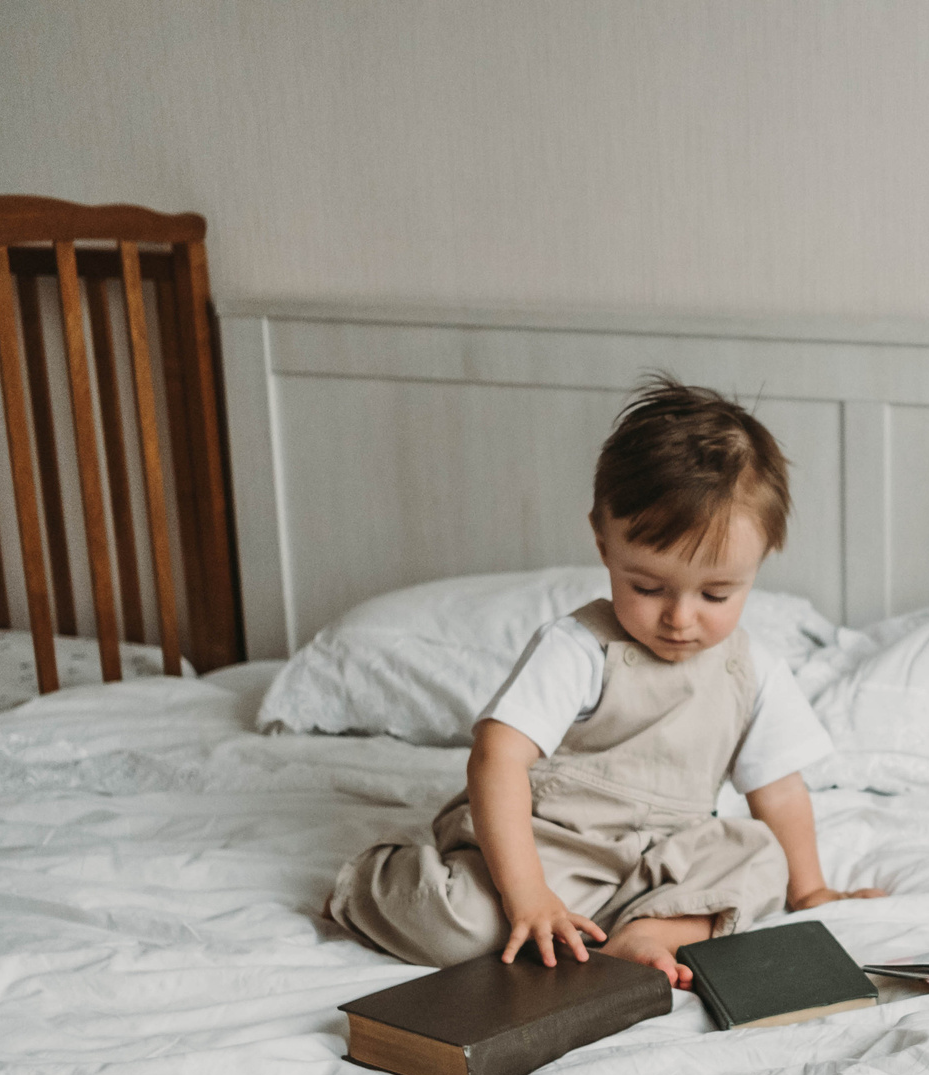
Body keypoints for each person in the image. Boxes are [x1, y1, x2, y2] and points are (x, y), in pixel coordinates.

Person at [330, 379, 880, 986]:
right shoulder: (580, 649)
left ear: (760, 562)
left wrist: (810, 890)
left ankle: (649, 930)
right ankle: (377, 882)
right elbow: (497, 759)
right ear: (602, 540)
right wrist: (529, 895)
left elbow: (777, 793)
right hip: (551, 850)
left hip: (662, 858)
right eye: (647, 587)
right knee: (468, 930)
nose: (679, 617)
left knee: (761, 860)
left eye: (716, 594)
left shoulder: (755, 670)